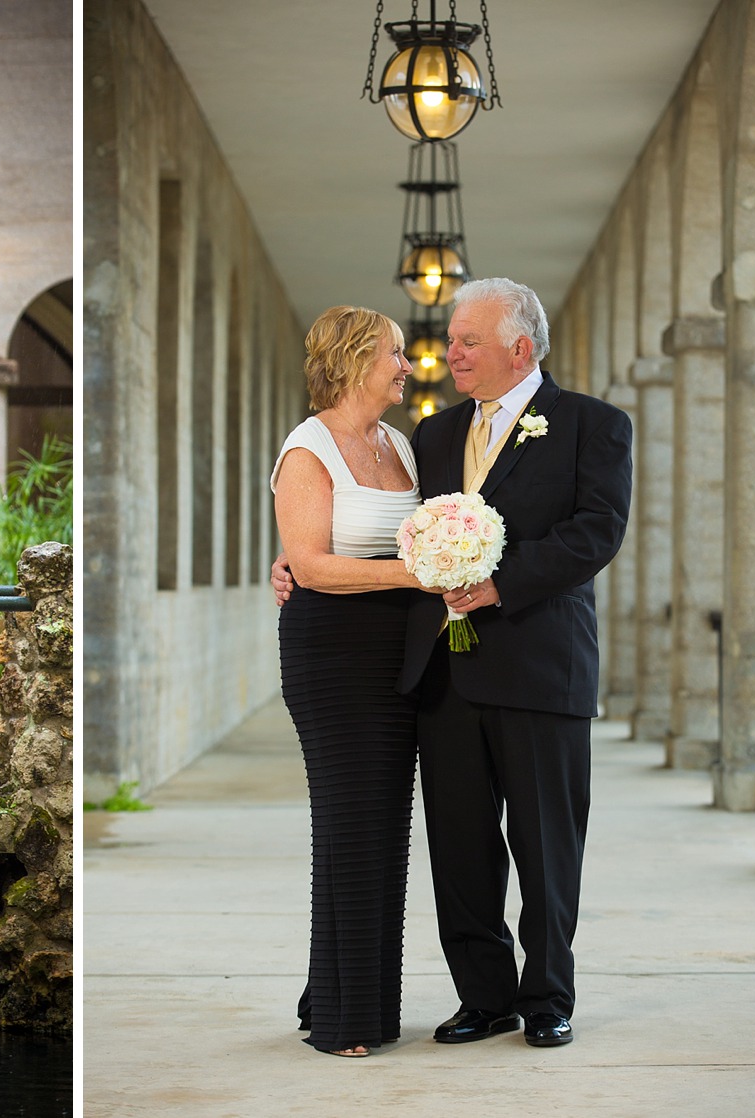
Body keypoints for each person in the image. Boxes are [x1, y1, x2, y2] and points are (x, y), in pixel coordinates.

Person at [274, 277, 633, 1049]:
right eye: (448, 340)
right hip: (442, 675)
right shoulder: (428, 438)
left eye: (467, 341)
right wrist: (293, 565)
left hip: (542, 670)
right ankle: (485, 995)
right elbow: (372, 530)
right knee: (461, 847)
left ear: (519, 348)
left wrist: (496, 583)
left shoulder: (591, 426)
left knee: (545, 847)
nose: (449, 353)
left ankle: (547, 999)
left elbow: (596, 535)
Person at [271, 306, 430, 1057]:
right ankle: (345, 1020)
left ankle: (333, 995)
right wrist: (420, 574)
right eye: (397, 353)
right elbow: (308, 565)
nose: (408, 365)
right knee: (352, 823)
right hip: (332, 656)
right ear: (358, 359)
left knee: (378, 829)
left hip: (400, 654)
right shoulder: (308, 449)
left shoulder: (398, 443)